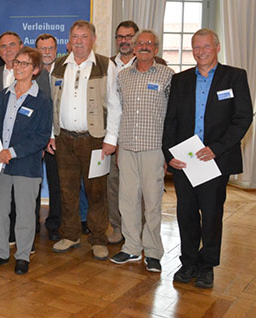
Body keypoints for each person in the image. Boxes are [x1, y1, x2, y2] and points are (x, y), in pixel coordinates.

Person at [163, 28, 252, 289]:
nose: (201, 52)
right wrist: (169, 154)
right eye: (196, 47)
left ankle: (207, 266)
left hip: (215, 159)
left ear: (217, 47)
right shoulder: (179, 80)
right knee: (186, 213)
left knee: (211, 215)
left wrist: (217, 148)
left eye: (206, 47)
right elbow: (171, 121)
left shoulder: (234, 77)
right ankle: (188, 261)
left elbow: (243, 117)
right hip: (185, 162)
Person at [48, 20, 121, 261]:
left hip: (95, 141)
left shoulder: (105, 65)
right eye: (75, 37)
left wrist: (111, 138)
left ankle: (98, 238)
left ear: (93, 39)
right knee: (67, 190)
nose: (79, 41)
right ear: (68, 40)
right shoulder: (58, 65)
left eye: (84, 37)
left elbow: (114, 104)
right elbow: (52, 103)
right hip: (64, 139)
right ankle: (70, 234)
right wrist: (51, 134)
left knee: (96, 192)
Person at [110, 30, 174, 273]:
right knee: (127, 201)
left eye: (149, 43)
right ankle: (132, 247)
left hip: (153, 149)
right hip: (126, 148)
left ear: (156, 48)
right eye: (140, 43)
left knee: (152, 202)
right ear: (133, 48)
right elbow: (117, 112)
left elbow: (173, 117)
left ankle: (154, 252)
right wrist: (115, 145)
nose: (144, 47)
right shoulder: (123, 76)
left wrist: (169, 153)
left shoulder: (168, 76)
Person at [0, 47, 52, 275]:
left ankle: (23, 256)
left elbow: (41, 136)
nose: (19, 67)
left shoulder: (41, 100)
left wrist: (12, 152)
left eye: (25, 64)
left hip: (26, 164)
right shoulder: (3, 95)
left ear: (35, 70)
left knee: (25, 213)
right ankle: (1, 252)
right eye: (17, 62)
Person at [0, 31, 23, 248]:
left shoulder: (35, 74)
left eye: (11, 45)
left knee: (24, 193)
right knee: (2, 193)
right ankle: (4, 236)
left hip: (23, 144)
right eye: (3, 47)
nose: (7, 50)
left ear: (20, 46)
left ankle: (26, 238)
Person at [34, 33, 61, 241]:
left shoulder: (65, 71)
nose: (47, 52)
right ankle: (32, 222)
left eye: (50, 48)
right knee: (33, 182)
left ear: (56, 49)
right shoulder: (32, 74)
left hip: (59, 138)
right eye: (42, 49)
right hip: (36, 138)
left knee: (58, 183)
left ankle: (55, 223)